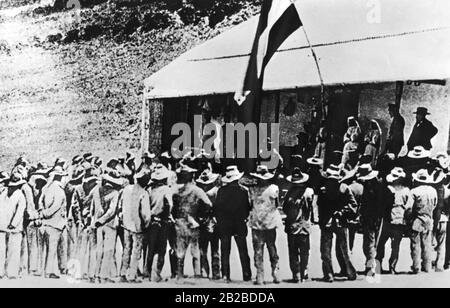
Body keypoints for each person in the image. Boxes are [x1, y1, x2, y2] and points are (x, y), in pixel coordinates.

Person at [317, 164, 358, 283]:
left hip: (328, 222)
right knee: (343, 249)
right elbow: (353, 205)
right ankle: (349, 272)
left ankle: (329, 273)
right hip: (340, 222)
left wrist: (322, 221)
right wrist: (343, 212)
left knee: (326, 250)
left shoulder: (323, 190)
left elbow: (320, 208)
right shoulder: (344, 188)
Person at [172, 165, 212, 282]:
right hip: (193, 221)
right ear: (192, 176)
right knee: (195, 249)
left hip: (179, 222)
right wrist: (202, 214)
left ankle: (179, 275)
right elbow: (208, 204)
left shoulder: (177, 191)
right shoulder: (197, 190)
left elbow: (173, 207)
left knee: (180, 250)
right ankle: (197, 275)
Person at [214, 166, 252, 283]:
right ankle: (246, 274)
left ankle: (225, 274)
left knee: (225, 250)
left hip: (225, 224)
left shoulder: (221, 191)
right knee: (243, 250)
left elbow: (217, 208)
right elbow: (247, 208)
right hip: (239, 223)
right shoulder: (244, 191)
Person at [248, 165, 283, 285]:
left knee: (258, 250)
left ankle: (260, 275)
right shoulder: (274, 188)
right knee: (272, 247)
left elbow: (250, 205)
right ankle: (275, 272)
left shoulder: (252, 190)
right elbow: (277, 204)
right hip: (270, 222)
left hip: (257, 222)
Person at [376, 168, 412, 274]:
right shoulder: (406, 191)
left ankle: (379, 265)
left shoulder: (388, 189)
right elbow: (409, 207)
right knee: (395, 245)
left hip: (388, 219)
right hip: (399, 220)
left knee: (381, 243)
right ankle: (392, 266)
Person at [119, 168, 151, 283]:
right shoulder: (144, 193)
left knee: (126, 249)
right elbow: (145, 214)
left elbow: (120, 204)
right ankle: (132, 275)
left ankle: (123, 273)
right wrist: (146, 225)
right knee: (136, 251)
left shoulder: (127, 189)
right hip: (138, 227)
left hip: (126, 224)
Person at [91, 167, 123, 283]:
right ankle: (104, 275)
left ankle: (96, 274)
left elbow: (94, 209)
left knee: (99, 249)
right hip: (110, 224)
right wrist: (103, 219)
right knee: (108, 250)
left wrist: (97, 220)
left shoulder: (97, 191)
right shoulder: (115, 193)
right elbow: (111, 211)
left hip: (98, 224)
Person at [283, 168, 314, 283]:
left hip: (292, 226)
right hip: (304, 226)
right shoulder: (310, 191)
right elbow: (311, 208)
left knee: (293, 251)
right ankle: (304, 273)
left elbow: (285, 208)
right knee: (305, 251)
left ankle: (296, 274)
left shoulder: (289, 193)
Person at [38, 166, 67, 279]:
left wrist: (42, 213)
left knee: (45, 249)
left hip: (45, 224)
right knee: (52, 249)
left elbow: (40, 202)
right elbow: (56, 206)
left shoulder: (46, 188)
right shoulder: (59, 190)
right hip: (55, 223)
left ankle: (44, 270)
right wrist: (46, 214)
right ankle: (49, 271)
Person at [146, 164, 174, 282]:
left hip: (151, 221)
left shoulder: (149, 190)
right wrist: (168, 216)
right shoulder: (166, 190)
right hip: (162, 222)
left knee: (150, 248)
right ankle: (156, 273)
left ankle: (148, 273)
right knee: (161, 248)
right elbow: (169, 204)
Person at [72, 163, 99, 282]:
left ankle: (91, 273)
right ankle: (79, 272)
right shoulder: (78, 190)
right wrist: (79, 220)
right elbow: (75, 206)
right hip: (82, 223)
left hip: (92, 222)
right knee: (81, 248)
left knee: (92, 249)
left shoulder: (97, 190)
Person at [408, 169, 438, 274]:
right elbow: (435, 205)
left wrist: (408, 218)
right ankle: (427, 266)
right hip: (428, 219)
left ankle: (416, 267)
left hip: (417, 219)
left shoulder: (414, 191)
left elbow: (408, 208)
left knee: (415, 245)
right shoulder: (433, 191)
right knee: (427, 244)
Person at [356, 164, 383, 274]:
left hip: (370, 218)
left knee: (369, 243)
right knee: (373, 243)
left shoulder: (370, 187)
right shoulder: (378, 184)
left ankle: (371, 267)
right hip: (376, 218)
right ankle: (371, 265)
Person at [196, 168, 221, 280]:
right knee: (215, 248)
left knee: (203, 248)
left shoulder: (199, 192)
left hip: (202, 221)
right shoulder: (216, 191)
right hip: (215, 221)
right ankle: (216, 272)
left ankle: (204, 271)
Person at [0, 173, 27, 279]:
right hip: (9, 227)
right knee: (8, 250)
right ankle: (7, 272)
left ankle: (6, 272)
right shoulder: (16, 195)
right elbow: (19, 212)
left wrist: (11, 223)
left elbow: (19, 211)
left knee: (7, 250)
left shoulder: (7, 193)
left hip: (7, 226)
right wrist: (12, 224)